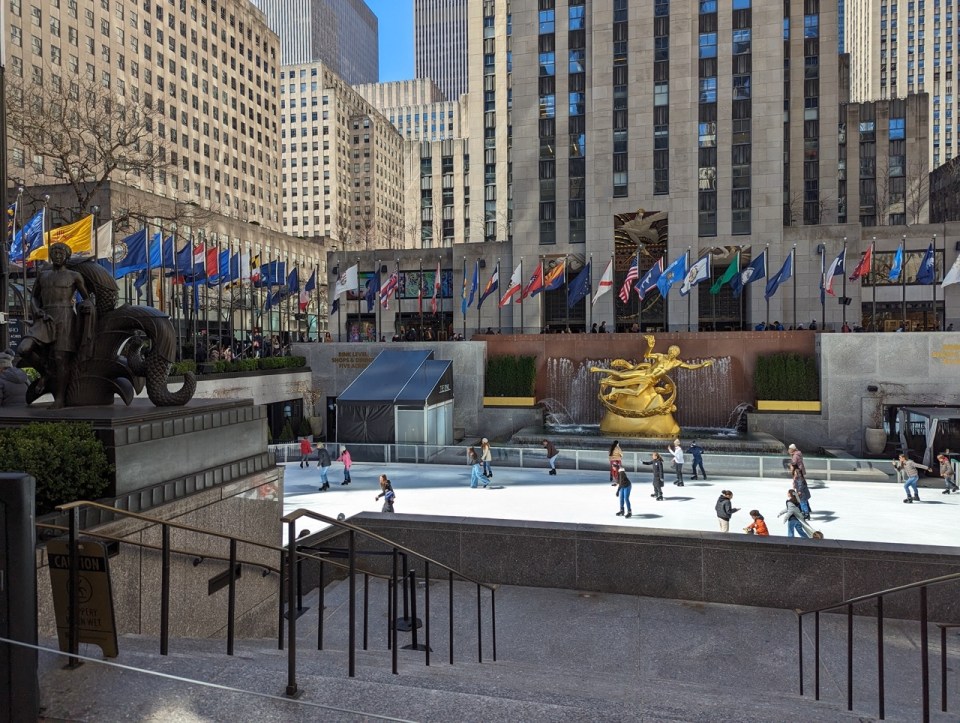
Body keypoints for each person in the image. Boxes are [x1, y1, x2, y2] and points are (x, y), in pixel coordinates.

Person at [16, 242, 95, 408]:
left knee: (61, 359)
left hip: (65, 317)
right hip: (44, 317)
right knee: (24, 348)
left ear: (67, 256)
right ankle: (47, 373)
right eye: (54, 253)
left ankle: (59, 398)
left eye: (61, 253)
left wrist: (88, 306)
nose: (57, 256)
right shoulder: (43, 275)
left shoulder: (74, 276)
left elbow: (87, 298)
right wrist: (36, 310)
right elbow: (34, 297)